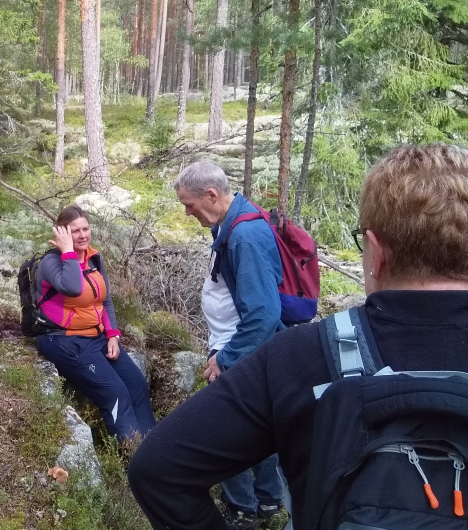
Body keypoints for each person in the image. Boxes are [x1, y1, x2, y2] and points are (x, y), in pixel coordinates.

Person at [127, 143, 468, 529]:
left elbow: (157, 470)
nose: (187, 212)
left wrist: (228, 356)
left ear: (376, 252)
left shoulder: (299, 357)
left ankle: (254, 507)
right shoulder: (241, 228)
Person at [171, 161, 287, 527]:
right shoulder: (230, 223)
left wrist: (226, 358)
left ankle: (242, 510)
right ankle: (268, 502)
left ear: (211, 194)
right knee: (258, 428)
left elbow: (264, 314)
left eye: (189, 204)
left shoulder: (244, 237)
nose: (187, 212)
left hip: (240, 352)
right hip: (239, 348)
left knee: (226, 434)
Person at [34, 205, 157, 443]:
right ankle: (134, 454)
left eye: (86, 229)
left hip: (96, 336)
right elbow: (72, 287)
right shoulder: (51, 261)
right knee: (115, 393)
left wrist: (112, 334)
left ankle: (154, 447)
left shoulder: (93, 258)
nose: (82, 235)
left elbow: (105, 300)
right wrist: (68, 252)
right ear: (62, 233)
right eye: (75, 231)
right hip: (63, 340)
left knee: (137, 385)